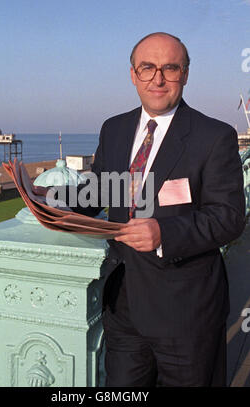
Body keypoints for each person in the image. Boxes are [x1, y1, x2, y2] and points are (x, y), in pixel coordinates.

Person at [84, 32, 245, 387]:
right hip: (123, 305)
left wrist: (164, 233)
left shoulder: (214, 136)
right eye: (147, 68)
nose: (158, 79)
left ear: (185, 74)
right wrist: (45, 196)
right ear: (133, 75)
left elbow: (229, 217)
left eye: (170, 68)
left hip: (186, 312)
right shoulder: (114, 129)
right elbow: (97, 192)